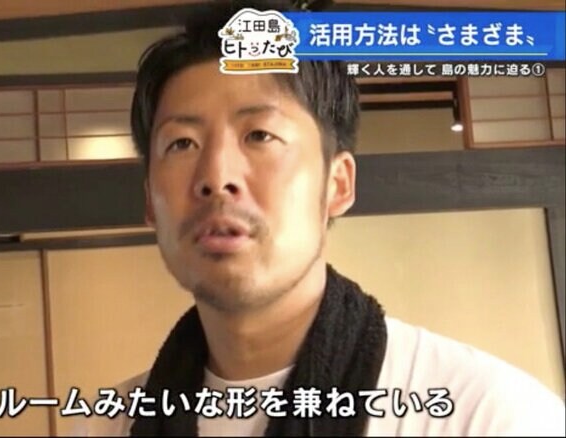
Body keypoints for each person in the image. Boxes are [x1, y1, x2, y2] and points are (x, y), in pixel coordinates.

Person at [72, 0, 566, 435]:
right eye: (182, 143)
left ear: (337, 184)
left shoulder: (487, 415)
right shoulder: (108, 424)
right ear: (150, 202)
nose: (216, 176)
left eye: (260, 135)